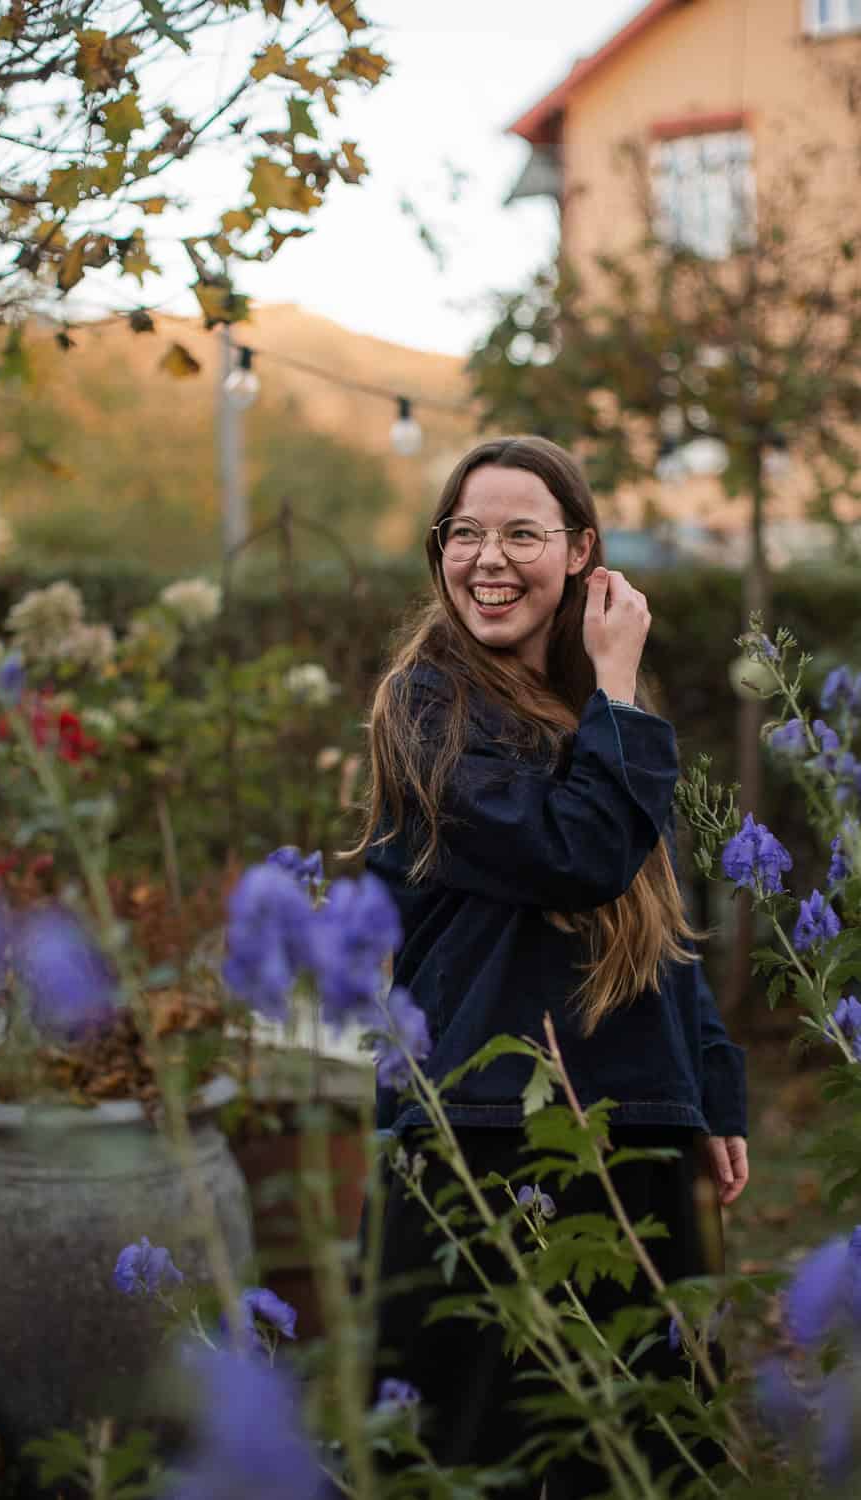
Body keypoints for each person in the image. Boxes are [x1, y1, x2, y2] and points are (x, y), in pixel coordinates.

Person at [355, 436, 749, 1497]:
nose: (487, 558)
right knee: (478, 1442)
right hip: (479, 1125)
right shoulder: (425, 708)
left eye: (520, 533)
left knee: (633, 1442)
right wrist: (619, 689)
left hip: (625, 1110)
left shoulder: (597, 713)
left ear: (580, 551)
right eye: (464, 533)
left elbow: (658, 918)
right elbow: (574, 859)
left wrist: (706, 1088)